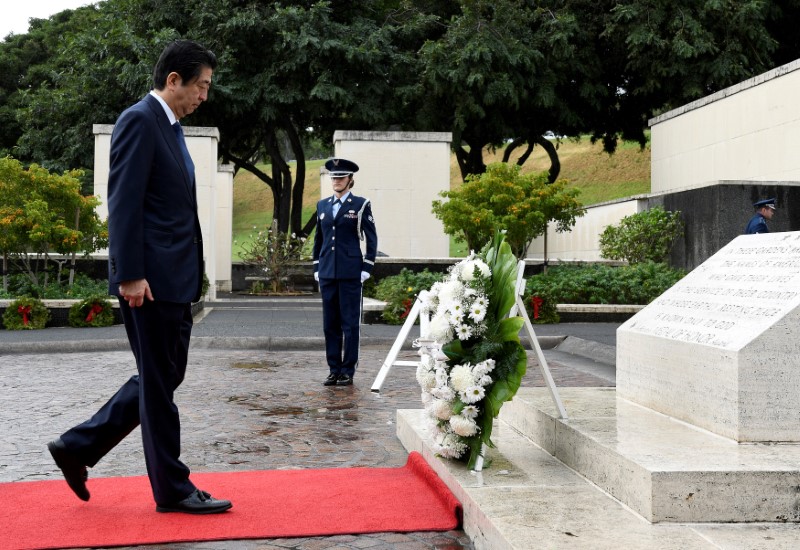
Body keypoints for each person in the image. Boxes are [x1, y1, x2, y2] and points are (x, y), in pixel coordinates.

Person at [46, 39, 232, 515]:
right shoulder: (139, 120)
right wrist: (128, 274)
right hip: (147, 283)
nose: (204, 96)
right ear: (174, 80)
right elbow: (123, 203)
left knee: (163, 376)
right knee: (158, 383)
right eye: (201, 86)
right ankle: (173, 489)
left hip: (175, 279)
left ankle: (78, 447)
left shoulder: (169, 128)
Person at [313, 158, 378, 386]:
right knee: (330, 324)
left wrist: (367, 266)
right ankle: (334, 368)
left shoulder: (360, 204)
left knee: (350, 324)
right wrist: (316, 267)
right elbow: (318, 239)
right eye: (333, 177)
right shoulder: (322, 205)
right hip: (328, 272)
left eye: (340, 177)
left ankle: (348, 370)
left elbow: (371, 238)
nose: (336, 181)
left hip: (351, 272)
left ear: (350, 180)